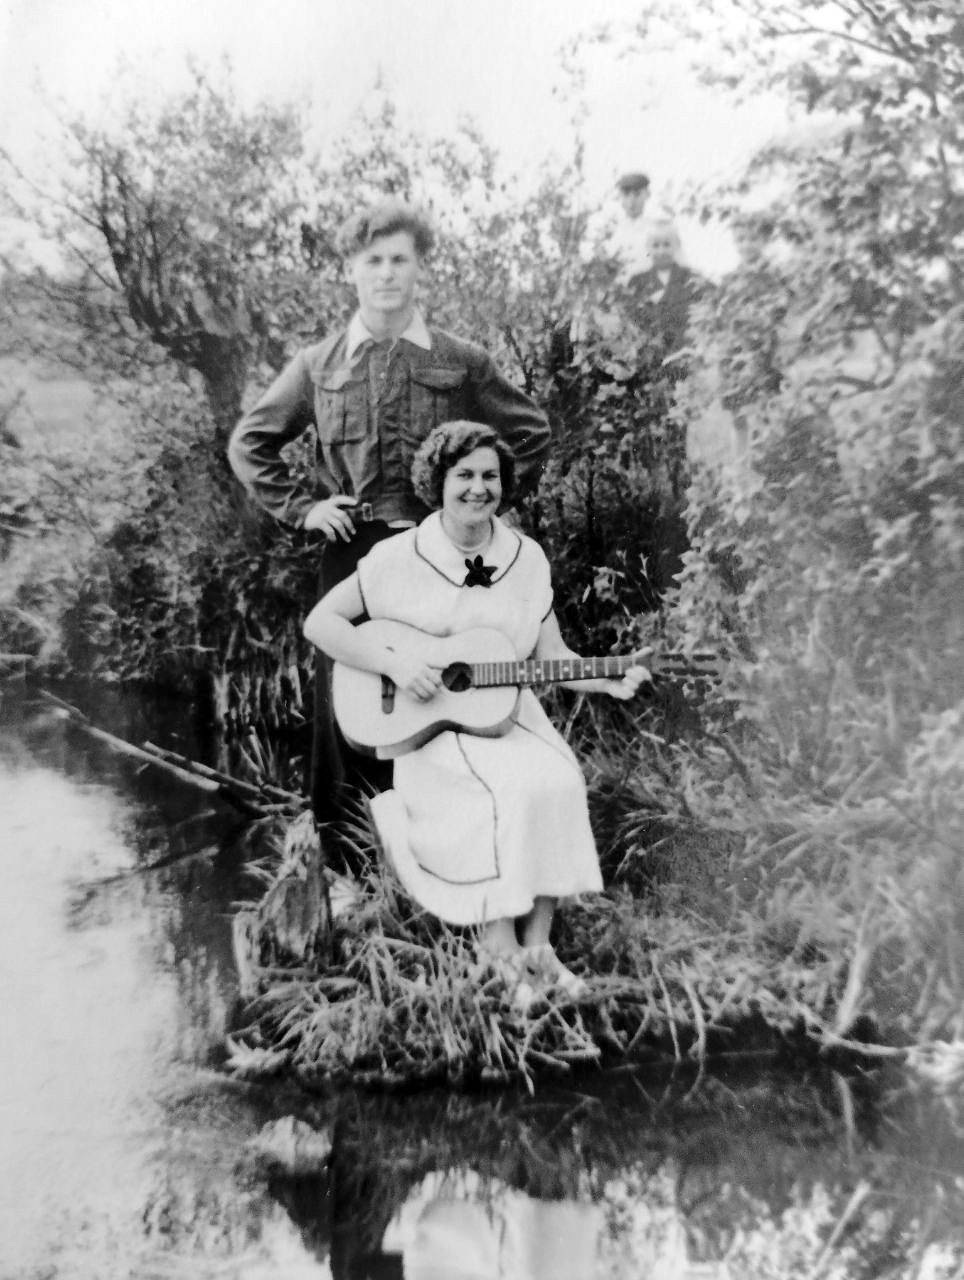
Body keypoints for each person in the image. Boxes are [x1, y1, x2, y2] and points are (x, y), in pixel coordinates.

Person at [228, 199, 552, 828]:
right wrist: (304, 509)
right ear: (351, 270)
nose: (386, 273)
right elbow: (251, 443)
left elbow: (531, 433)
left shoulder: (461, 360)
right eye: (373, 260)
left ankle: (440, 850)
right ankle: (349, 858)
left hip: (440, 556)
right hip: (354, 554)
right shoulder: (318, 364)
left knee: (443, 696)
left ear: (418, 268)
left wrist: (477, 510)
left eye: (399, 259)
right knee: (348, 708)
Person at [302, 421, 649, 1006]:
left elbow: (553, 657)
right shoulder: (398, 556)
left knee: (558, 778)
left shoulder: (525, 558)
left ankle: (539, 948)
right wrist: (394, 663)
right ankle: (498, 949)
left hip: (507, 716)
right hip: (431, 729)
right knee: (507, 788)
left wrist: (610, 680)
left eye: (490, 476)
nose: (478, 488)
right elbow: (321, 624)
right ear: (437, 483)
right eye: (463, 475)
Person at [628, 217, 709, 381]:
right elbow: (630, 321)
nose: (661, 251)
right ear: (647, 247)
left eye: (667, 245)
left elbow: (712, 308)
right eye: (655, 245)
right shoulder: (637, 282)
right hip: (650, 362)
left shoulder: (692, 278)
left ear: (677, 245)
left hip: (687, 357)